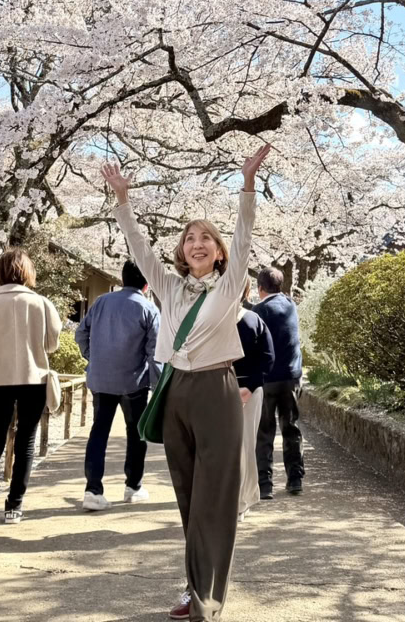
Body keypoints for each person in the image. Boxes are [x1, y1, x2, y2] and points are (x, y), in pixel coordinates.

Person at [102, 142, 271, 622]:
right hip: (174, 392)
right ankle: (196, 585)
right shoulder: (168, 284)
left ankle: (206, 600)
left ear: (218, 252)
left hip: (218, 392)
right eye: (188, 238)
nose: (196, 243)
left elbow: (244, 235)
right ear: (181, 251)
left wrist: (247, 185)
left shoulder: (231, 279)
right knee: (188, 495)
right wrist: (122, 200)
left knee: (215, 499)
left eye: (205, 238)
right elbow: (137, 246)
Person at [0, 248, 62, 530]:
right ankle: (14, 506)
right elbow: (52, 344)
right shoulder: (42, 304)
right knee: (26, 443)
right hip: (32, 378)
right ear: (28, 273)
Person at [75, 259, 160, 511]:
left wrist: (93, 356)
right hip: (133, 381)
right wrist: (158, 385)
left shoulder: (101, 301)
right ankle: (133, 487)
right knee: (136, 433)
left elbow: (81, 334)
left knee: (98, 431)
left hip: (101, 379)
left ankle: (93, 490)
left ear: (122, 279)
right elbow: (154, 353)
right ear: (146, 284)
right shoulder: (149, 309)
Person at [252, 266, 305, 499]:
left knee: (264, 432)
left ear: (260, 288)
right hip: (291, 377)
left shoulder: (259, 311)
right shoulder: (291, 305)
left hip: (267, 380)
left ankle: (265, 484)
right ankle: (295, 480)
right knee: (291, 429)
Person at [234, 278, 275, 522]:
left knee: (227, 446)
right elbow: (268, 358)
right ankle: (241, 501)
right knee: (245, 445)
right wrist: (250, 386)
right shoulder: (253, 320)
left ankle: (235, 500)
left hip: (223, 388)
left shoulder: (213, 321)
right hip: (249, 389)